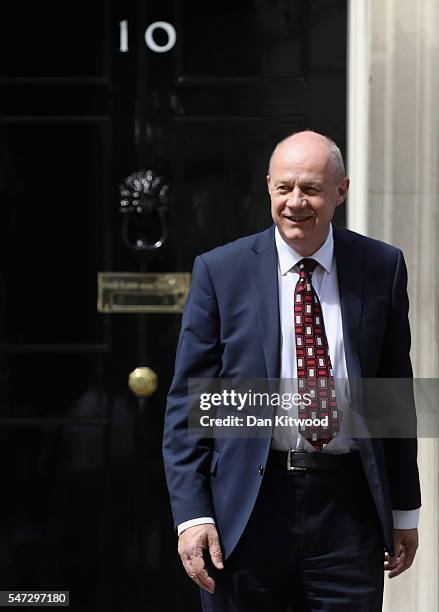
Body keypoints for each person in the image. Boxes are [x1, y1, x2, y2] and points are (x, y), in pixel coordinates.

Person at [162, 131, 421, 611]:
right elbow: (188, 404)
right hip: (248, 509)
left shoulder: (380, 266)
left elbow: (393, 397)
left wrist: (405, 509)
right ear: (267, 187)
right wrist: (193, 515)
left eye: (311, 189)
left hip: (348, 512)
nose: (295, 203)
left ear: (340, 191)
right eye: (284, 189)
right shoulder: (221, 271)